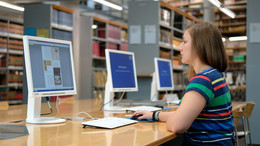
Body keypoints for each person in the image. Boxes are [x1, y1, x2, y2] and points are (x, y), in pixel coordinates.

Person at [132, 22, 235, 145]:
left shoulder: (203, 80)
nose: (179, 47)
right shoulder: (215, 75)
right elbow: (183, 114)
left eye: (184, 42)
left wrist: (174, 119)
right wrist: (154, 115)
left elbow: (176, 125)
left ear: (200, 45)